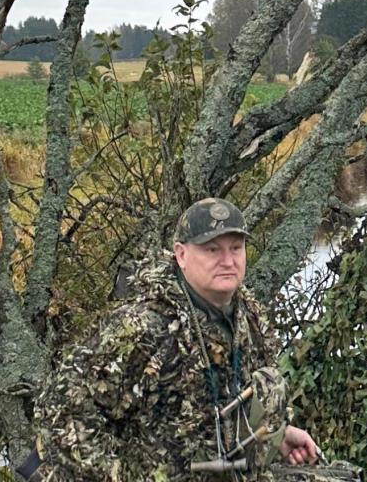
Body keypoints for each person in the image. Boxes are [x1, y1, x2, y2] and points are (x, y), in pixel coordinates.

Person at [26, 197, 323, 481]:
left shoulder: (248, 317)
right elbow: (61, 415)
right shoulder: (142, 327)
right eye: (212, 250)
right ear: (181, 255)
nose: (228, 261)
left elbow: (231, 400)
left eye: (236, 248)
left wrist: (277, 435)